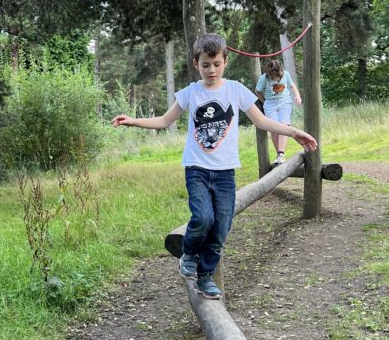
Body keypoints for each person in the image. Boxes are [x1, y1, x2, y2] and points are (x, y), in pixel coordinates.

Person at [112, 33, 317, 300]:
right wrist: (132, 121)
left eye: (217, 64)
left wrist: (293, 132)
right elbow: (164, 121)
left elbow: (262, 121)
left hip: (225, 173)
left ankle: (205, 276)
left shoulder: (235, 90)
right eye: (206, 64)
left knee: (221, 227)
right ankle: (189, 253)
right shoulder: (190, 93)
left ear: (225, 62)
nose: (212, 70)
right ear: (196, 63)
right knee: (202, 219)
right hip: (197, 169)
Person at [255, 58, 302, 166]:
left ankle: (281, 154)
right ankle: (279, 154)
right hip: (270, 104)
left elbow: (292, 85)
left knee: (283, 126)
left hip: (285, 102)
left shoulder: (285, 74)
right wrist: (264, 101)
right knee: (274, 130)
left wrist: (297, 95)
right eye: (272, 75)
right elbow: (258, 91)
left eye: (277, 75)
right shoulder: (263, 79)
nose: (275, 77)